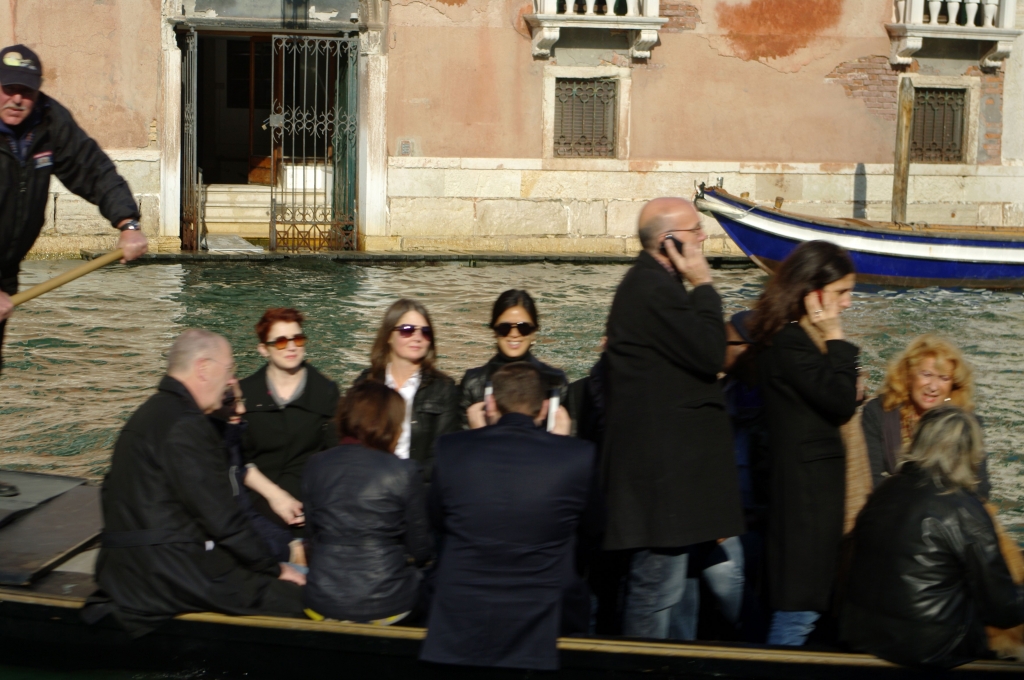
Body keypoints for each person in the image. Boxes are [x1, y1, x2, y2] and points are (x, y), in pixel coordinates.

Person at [92, 330, 306, 637]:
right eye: (229, 369)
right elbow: (223, 520)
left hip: (132, 570)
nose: (231, 380)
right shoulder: (186, 426)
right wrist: (274, 568)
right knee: (302, 598)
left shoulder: (150, 413)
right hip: (165, 575)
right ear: (204, 368)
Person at [601, 197, 745, 640]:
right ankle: (641, 667)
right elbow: (710, 353)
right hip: (662, 489)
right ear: (669, 241)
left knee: (682, 596)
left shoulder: (655, 286)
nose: (704, 236)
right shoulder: (653, 289)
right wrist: (704, 284)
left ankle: (679, 664)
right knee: (656, 593)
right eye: (695, 230)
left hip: (677, 487)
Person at [420, 363, 599, 670]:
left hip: (461, 617)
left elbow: (437, 520)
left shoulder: (451, 448)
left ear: (490, 403)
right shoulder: (577, 455)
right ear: (544, 408)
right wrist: (563, 442)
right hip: (542, 619)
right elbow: (593, 529)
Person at [0, 44, 148, 373]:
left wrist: (128, 223)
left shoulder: (48, 120)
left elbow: (91, 168)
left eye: (26, 91)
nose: (17, 99)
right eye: (9, 89)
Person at [841, 406, 1024, 668]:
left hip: (861, 634)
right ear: (967, 452)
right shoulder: (965, 509)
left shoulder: (885, 491)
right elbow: (1003, 609)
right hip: (930, 647)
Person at [750, 240, 859, 646]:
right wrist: (836, 337)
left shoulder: (790, 339)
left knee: (804, 606)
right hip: (806, 502)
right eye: (841, 292)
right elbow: (840, 401)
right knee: (799, 610)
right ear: (813, 292)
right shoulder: (792, 340)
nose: (847, 303)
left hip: (807, 498)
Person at [302, 381, 432, 624]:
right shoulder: (404, 471)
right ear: (391, 424)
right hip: (389, 604)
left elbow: (312, 536)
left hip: (322, 602)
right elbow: (420, 549)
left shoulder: (315, 464)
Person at [239, 308, 339, 532]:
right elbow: (236, 457)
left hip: (307, 508)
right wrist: (275, 495)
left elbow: (334, 456)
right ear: (263, 349)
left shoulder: (326, 392)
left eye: (298, 339)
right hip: (255, 505)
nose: (292, 347)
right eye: (281, 342)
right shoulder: (244, 394)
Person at [861, 334, 990, 498]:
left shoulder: (966, 423)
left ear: (953, 385)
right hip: (892, 505)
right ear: (909, 376)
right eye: (926, 374)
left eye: (944, 378)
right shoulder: (878, 412)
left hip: (948, 508)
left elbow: (980, 487)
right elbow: (869, 477)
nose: (933, 387)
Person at [354, 299, 460, 481]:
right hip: (368, 481)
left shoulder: (444, 388)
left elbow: (443, 456)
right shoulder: (365, 383)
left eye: (425, 332)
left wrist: (404, 475)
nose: (417, 337)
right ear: (389, 335)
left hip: (416, 485)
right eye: (407, 330)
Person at [210, 383, 303, 566]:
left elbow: (244, 513)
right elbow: (225, 529)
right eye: (230, 401)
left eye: (241, 400)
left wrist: (290, 544)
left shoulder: (229, 441)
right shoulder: (204, 450)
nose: (242, 409)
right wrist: (287, 552)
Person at [458, 289, 568, 429]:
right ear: (494, 331)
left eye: (523, 328)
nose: (514, 334)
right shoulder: (472, 382)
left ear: (534, 332)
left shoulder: (556, 381)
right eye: (504, 328)